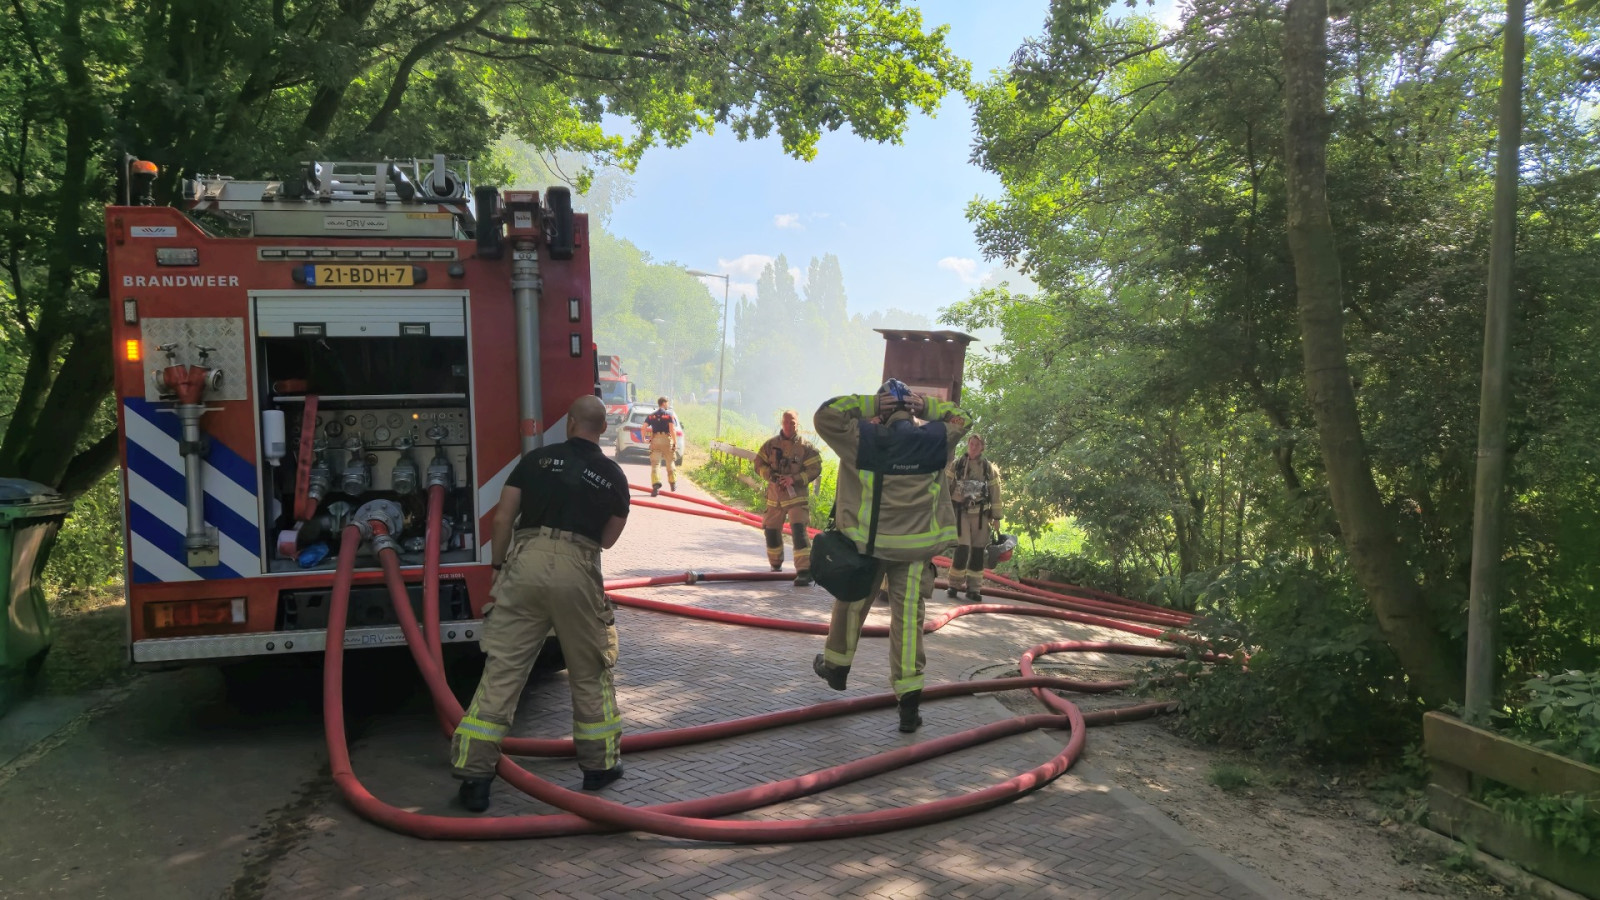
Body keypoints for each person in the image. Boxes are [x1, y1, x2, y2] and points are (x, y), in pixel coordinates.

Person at [449, 394, 631, 812]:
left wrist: (499, 568)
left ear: (569, 423)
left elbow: (501, 518)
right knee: (588, 669)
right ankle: (599, 767)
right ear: (602, 429)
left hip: (525, 563)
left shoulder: (536, 461)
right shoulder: (614, 475)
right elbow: (607, 539)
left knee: (504, 670)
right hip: (578, 567)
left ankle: (474, 777)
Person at [810, 380, 967, 733]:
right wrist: (925, 407)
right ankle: (909, 704)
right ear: (910, 410)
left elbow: (825, 415)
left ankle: (836, 668)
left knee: (851, 603)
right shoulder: (936, 440)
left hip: (869, 545)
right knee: (908, 621)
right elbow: (962, 418)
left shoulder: (861, 439)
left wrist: (869, 404)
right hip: (914, 551)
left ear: (882, 412)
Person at [755, 409, 824, 585]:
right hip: (774, 497)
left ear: (797, 424)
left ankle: (803, 571)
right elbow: (758, 463)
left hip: (796, 499)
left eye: (792, 423)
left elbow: (814, 469)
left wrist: (793, 479)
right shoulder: (770, 445)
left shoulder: (805, 448)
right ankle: (775, 564)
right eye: (786, 422)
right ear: (781, 423)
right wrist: (770, 475)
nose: (788, 426)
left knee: (799, 532)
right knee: (771, 530)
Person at [945, 433, 1003, 601]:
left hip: (980, 516)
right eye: (972, 443)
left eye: (977, 444)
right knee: (962, 549)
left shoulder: (988, 468)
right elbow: (945, 487)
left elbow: (995, 493)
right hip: (961, 513)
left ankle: (974, 589)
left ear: (982, 447)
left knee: (978, 552)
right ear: (968, 444)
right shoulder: (957, 465)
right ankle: (954, 585)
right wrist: (945, 509)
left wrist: (997, 517)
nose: (974, 446)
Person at [645, 396, 678, 496]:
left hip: (655, 440)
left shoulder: (651, 415)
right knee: (670, 461)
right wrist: (675, 443)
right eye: (667, 403)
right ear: (664, 403)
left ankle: (655, 486)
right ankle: (672, 483)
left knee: (655, 464)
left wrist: (645, 439)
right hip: (667, 440)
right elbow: (672, 430)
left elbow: (643, 427)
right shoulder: (669, 415)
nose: (667, 405)